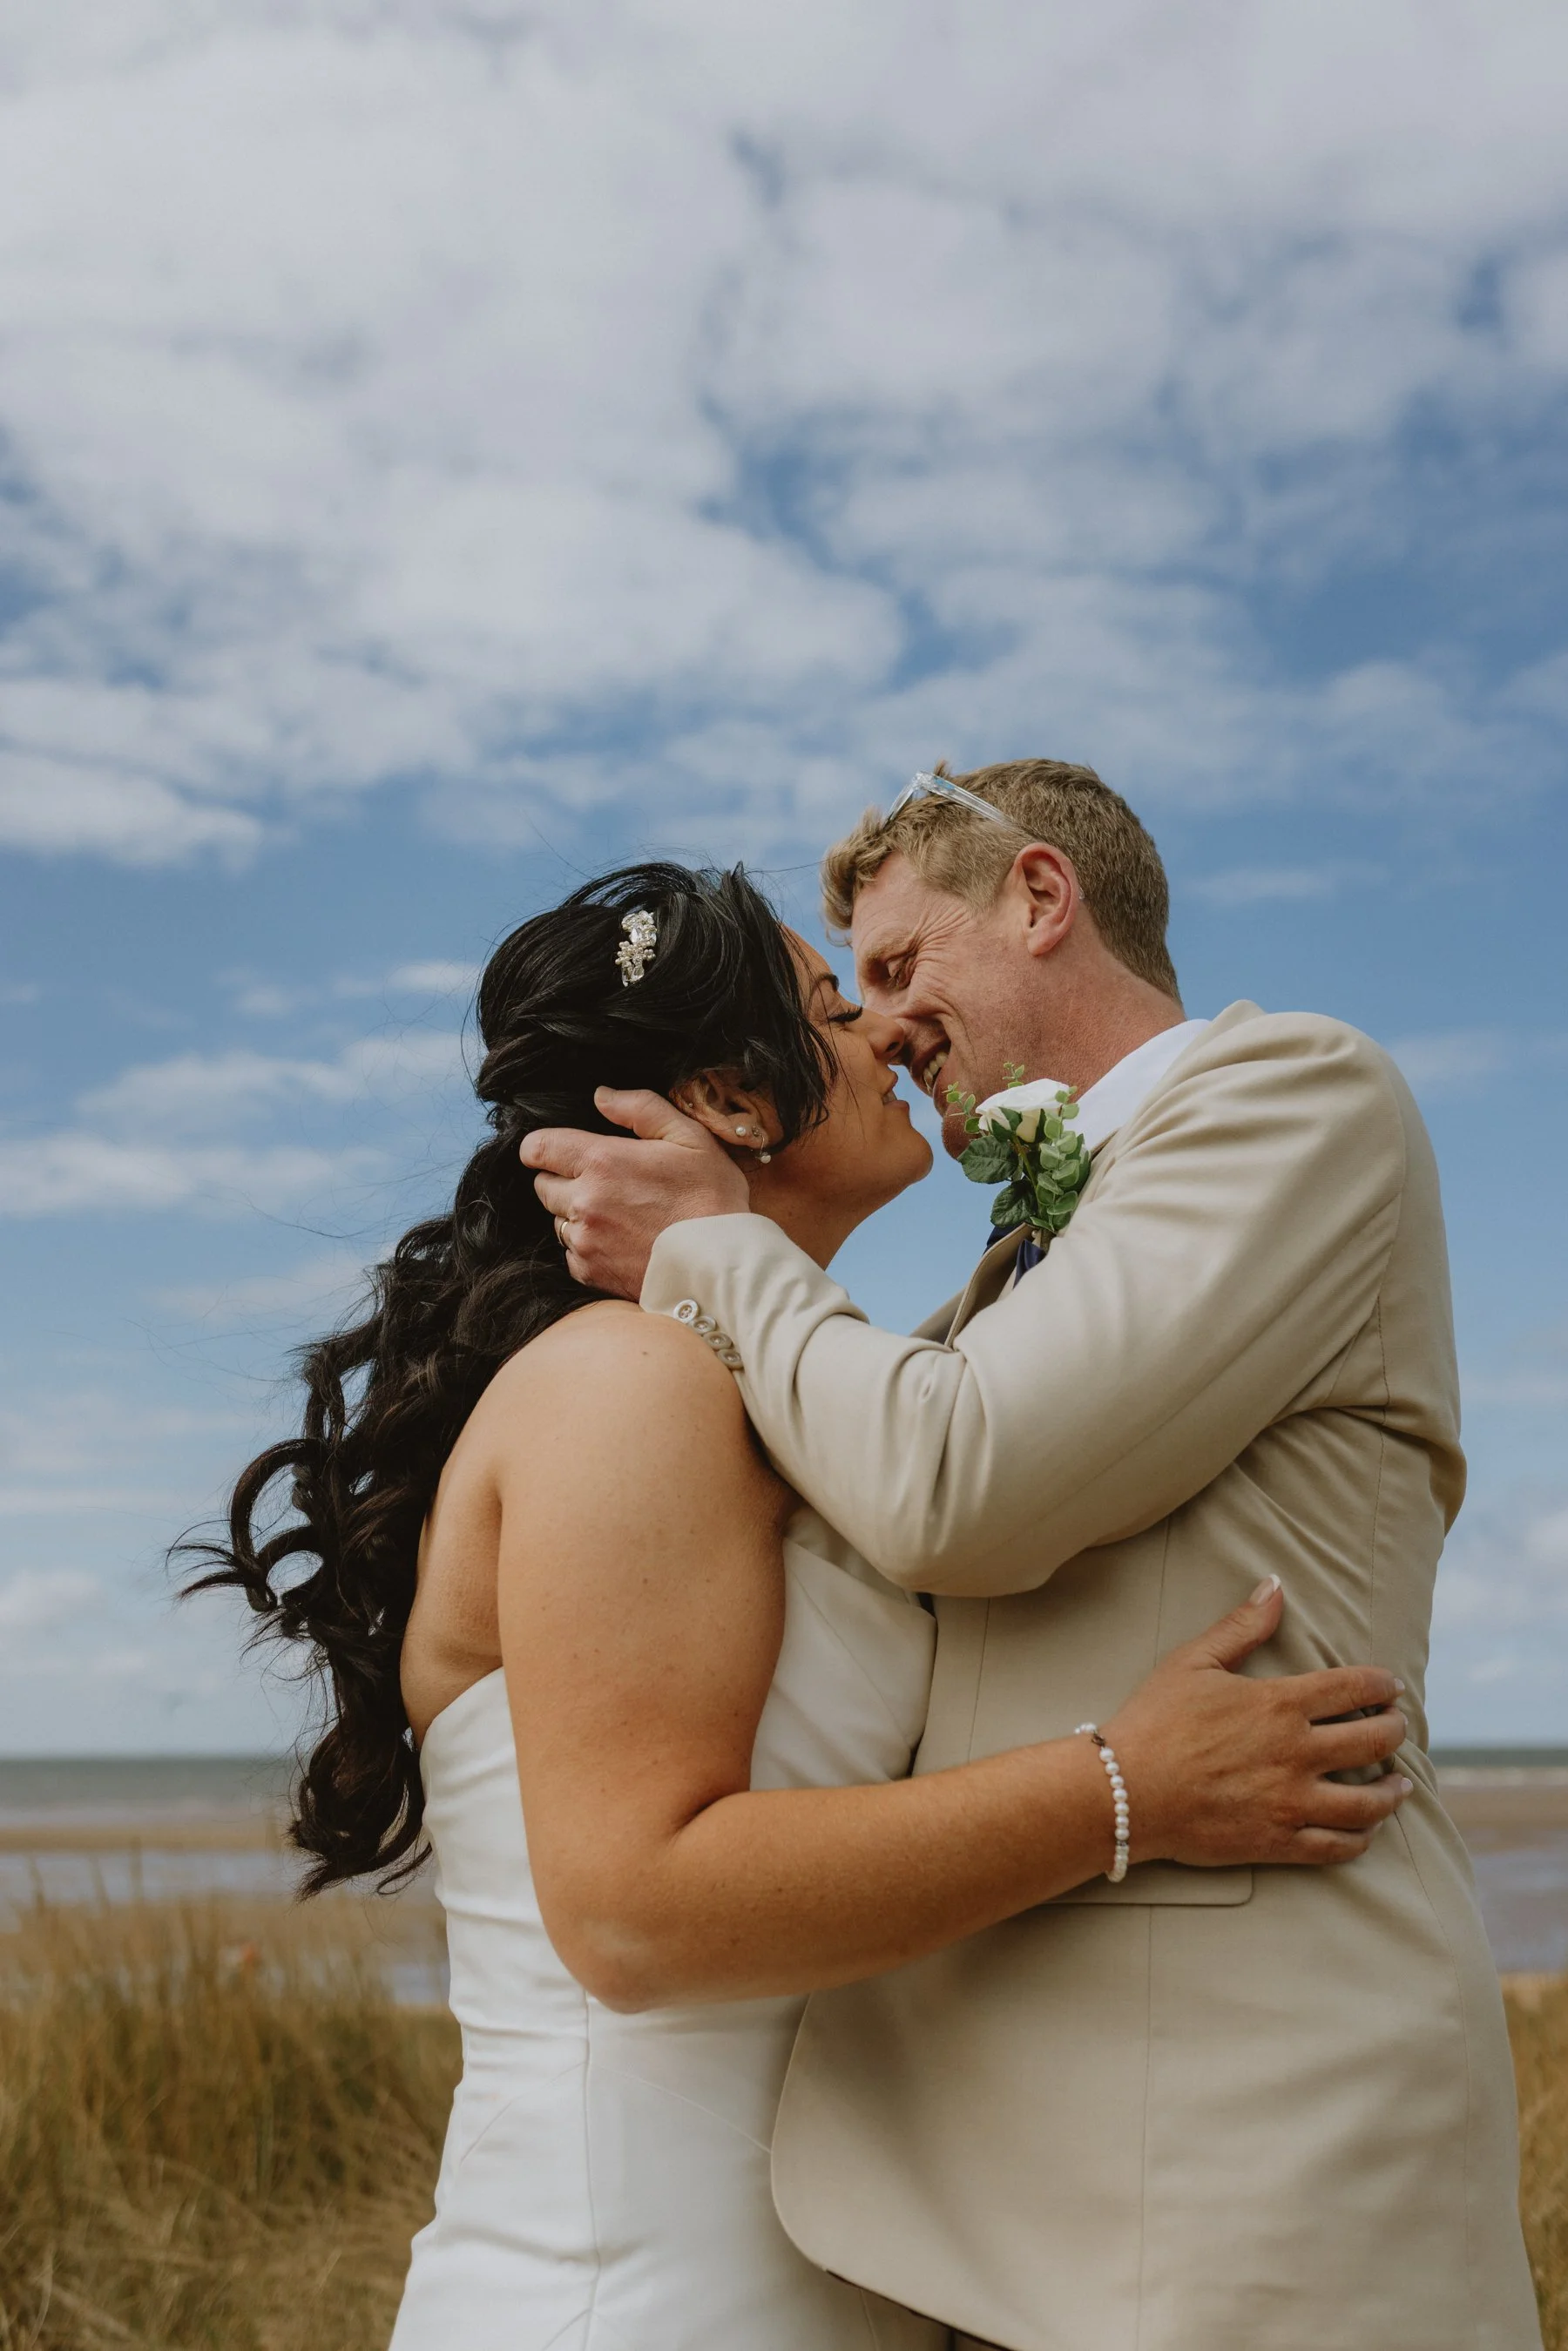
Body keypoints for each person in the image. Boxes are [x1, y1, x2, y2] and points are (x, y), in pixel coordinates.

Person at [190, 860, 1412, 2351]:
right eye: (838, 1006)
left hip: (843, 2274)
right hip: (642, 2294)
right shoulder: (623, 1383)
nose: (888, 1033)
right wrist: (1125, 1787)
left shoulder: (787, 1400)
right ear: (735, 1098)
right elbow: (636, 1910)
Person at [523, 774, 1542, 2351]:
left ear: (1040, 898)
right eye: (850, 991)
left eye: (897, 965)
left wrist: (713, 1245)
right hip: (1000, 2202)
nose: (879, 1026)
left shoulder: (1297, 1092)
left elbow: (955, 1483)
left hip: (1252, 2151)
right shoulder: (1023, 1268)